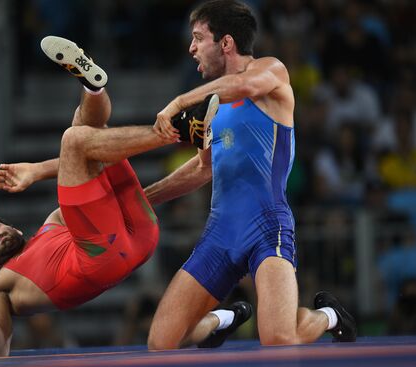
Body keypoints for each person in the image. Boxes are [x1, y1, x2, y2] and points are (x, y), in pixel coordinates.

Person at [0, 36, 227, 357]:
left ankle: (93, 87)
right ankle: (180, 130)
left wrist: (36, 170)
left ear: (15, 228)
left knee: (85, 128)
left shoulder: (55, 221)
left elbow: (83, 159)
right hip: (100, 257)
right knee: (74, 139)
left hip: (139, 234)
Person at [147, 0, 356, 348]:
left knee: (278, 337)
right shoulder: (214, 105)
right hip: (220, 234)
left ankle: (330, 316)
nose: (191, 48)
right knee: (161, 343)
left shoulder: (271, 71)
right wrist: (143, 198)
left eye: (199, 38)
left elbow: (243, 86)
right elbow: (202, 168)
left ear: (226, 43)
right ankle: (225, 318)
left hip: (267, 227)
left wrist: (178, 103)